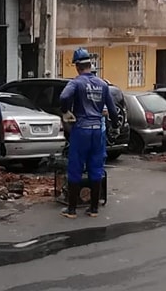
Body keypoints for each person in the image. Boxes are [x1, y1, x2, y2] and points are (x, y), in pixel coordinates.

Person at [59, 48, 119, 219]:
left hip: (81, 130)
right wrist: (115, 126)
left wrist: (66, 111)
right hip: (97, 132)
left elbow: (64, 97)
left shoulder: (76, 83)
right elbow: (113, 111)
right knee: (96, 168)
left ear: (77, 67)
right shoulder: (102, 84)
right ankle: (93, 209)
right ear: (90, 65)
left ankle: (71, 210)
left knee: (76, 167)